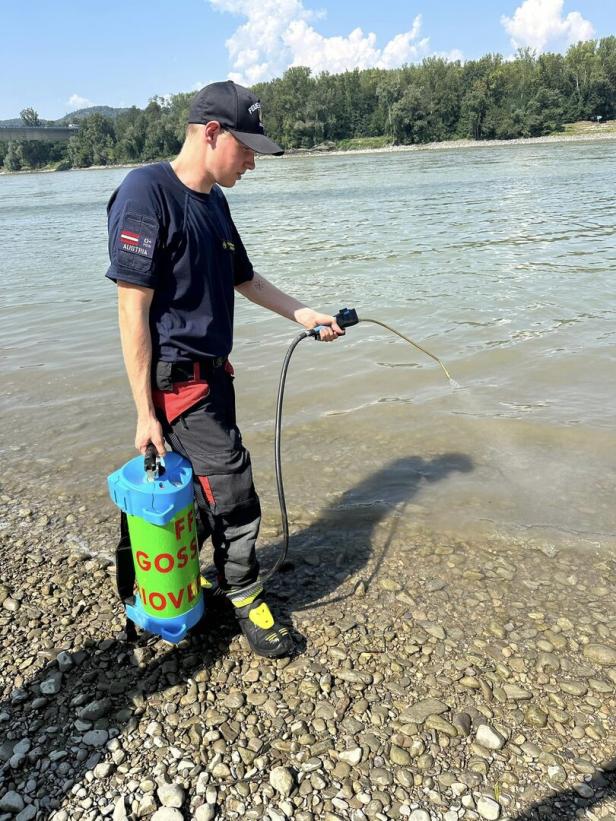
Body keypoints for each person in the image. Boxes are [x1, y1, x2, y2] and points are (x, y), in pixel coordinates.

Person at [106, 81, 343, 658]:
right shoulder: (146, 193)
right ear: (211, 133)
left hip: (215, 375)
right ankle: (245, 594)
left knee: (204, 492)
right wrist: (144, 413)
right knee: (234, 488)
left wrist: (304, 314)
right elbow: (132, 309)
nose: (254, 162)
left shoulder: (215, 202)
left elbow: (246, 278)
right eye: (248, 148)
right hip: (176, 380)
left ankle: (190, 578)